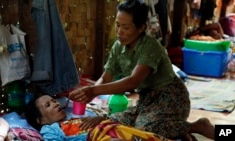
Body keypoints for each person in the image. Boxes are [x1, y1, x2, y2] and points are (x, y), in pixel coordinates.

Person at [68, 0, 215, 140]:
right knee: (113, 121)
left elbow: (133, 81)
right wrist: (87, 94)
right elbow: (106, 77)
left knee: (145, 129)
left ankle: (198, 126)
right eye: (117, 25)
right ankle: (178, 132)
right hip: (146, 101)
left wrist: (94, 91)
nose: (119, 32)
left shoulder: (150, 47)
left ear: (141, 28)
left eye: (126, 28)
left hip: (170, 97)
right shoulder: (118, 47)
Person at [25, 94, 172, 141]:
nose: (56, 104)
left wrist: (101, 120)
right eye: (48, 105)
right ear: (41, 120)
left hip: (110, 129)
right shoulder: (49, 129)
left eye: (54, 101)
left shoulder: (69, 120)